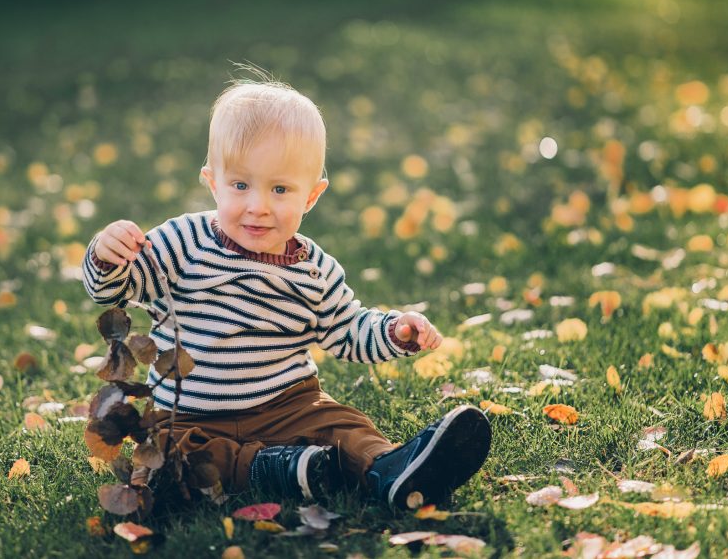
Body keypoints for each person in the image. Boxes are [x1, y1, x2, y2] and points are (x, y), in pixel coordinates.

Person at [81, 78, 491, 509]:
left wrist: (393, 331)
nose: (258, 205)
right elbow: (116, 290)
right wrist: (108, 258)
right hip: (191, 413)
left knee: (342, 424)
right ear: (213, 182)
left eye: (280, 189)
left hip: (287, 404)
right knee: (171, 456)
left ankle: (388, 466)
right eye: (240, 185)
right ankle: (276, 469)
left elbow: (347, 330)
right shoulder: (182, 242)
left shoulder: (315, 270)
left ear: (312, 195)